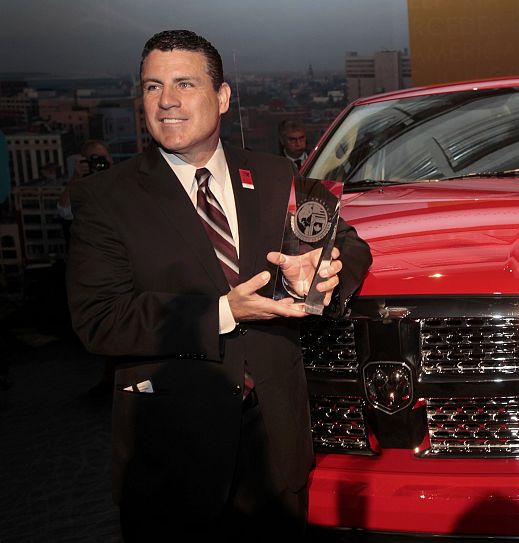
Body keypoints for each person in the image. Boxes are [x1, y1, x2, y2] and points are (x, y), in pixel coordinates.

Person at [65, 29, 372, 541]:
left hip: (275, 448)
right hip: (171, 460)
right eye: (151, 87)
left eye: (184, 84)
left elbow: (349, 242)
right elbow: (100, 320)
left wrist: (323, 273)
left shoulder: (278, 178)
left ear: (223, 97)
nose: (166, 102)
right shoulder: (106, 199)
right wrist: (224, 311)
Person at [57, 139, 114, 247]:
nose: (101, 164)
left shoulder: (121, 183)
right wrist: (76, 176)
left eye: (103, 158)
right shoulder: (81, 189)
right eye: (96, 159)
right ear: (86, 163)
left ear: (111, 160)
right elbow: (64, 211)